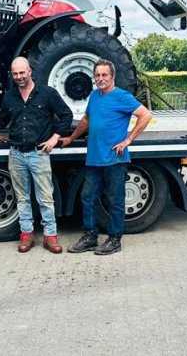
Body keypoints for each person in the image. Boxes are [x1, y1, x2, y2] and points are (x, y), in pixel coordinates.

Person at [61, 59, 152, 255]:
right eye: (97, 75)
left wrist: (128, 140)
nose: (100, 78)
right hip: (94, 158)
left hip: (114, 159)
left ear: (112, 77)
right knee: (88, 197)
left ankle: (115, 239)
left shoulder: (122, 96)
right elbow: (86, 120)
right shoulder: (94, 96)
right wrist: (71, 138)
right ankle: (90, 237)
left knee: (115, 201)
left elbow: (145, 115)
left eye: (104, 75)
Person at [0, 57, 73, 254]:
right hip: (16, 154)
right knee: (22, 198)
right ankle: (26, 235)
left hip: (39, 153)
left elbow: (66, 115)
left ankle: (50, 236)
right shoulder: (10, 97)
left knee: (45, 198)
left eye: (22, 73)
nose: (19, 77)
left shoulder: (47, 94)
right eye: (15, 74)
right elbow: (2, 119)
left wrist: (55, 138)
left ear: (29, 71)